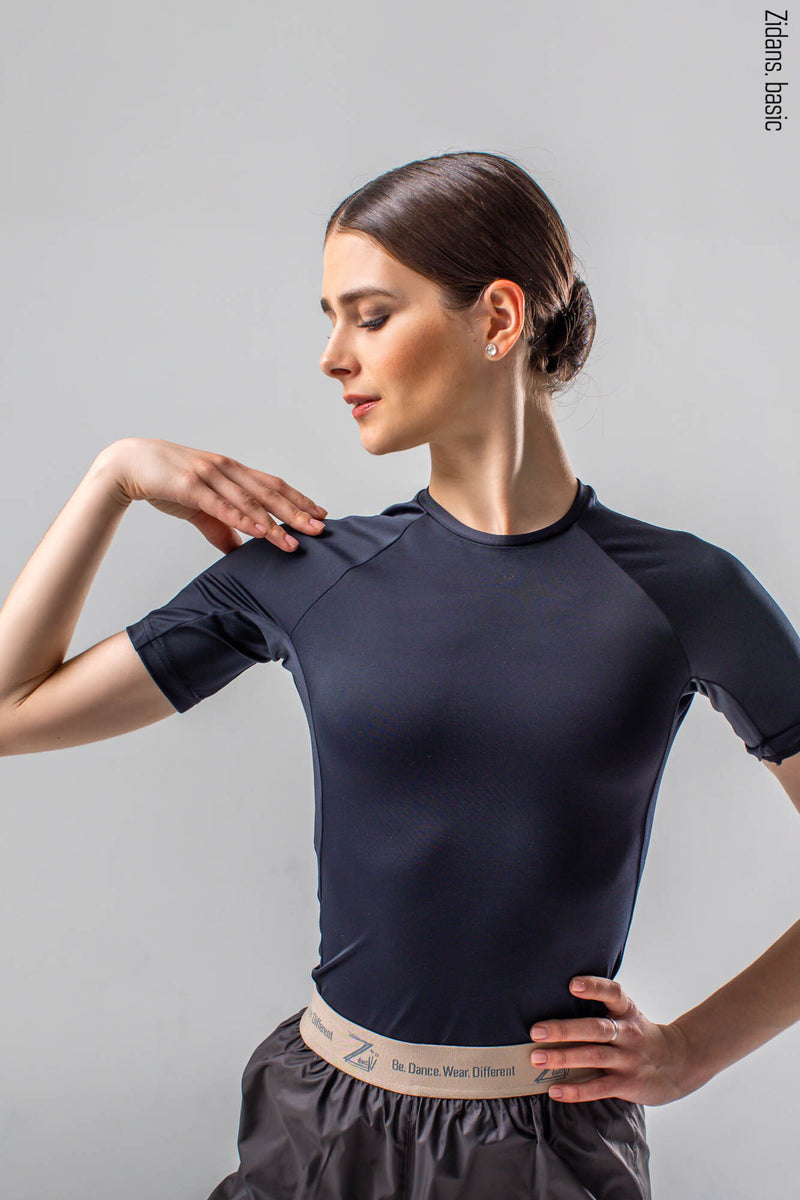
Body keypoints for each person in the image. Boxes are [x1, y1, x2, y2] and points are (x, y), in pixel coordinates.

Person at [2, 150, 800, 1200]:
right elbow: (10, 711)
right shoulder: (307, 573)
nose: (332, 357)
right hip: (317, 1126)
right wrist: (113, 477)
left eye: (370, 316)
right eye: (331, 319)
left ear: (497, 318)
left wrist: (691, 1052)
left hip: (550, 1147)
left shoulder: (684, 590)